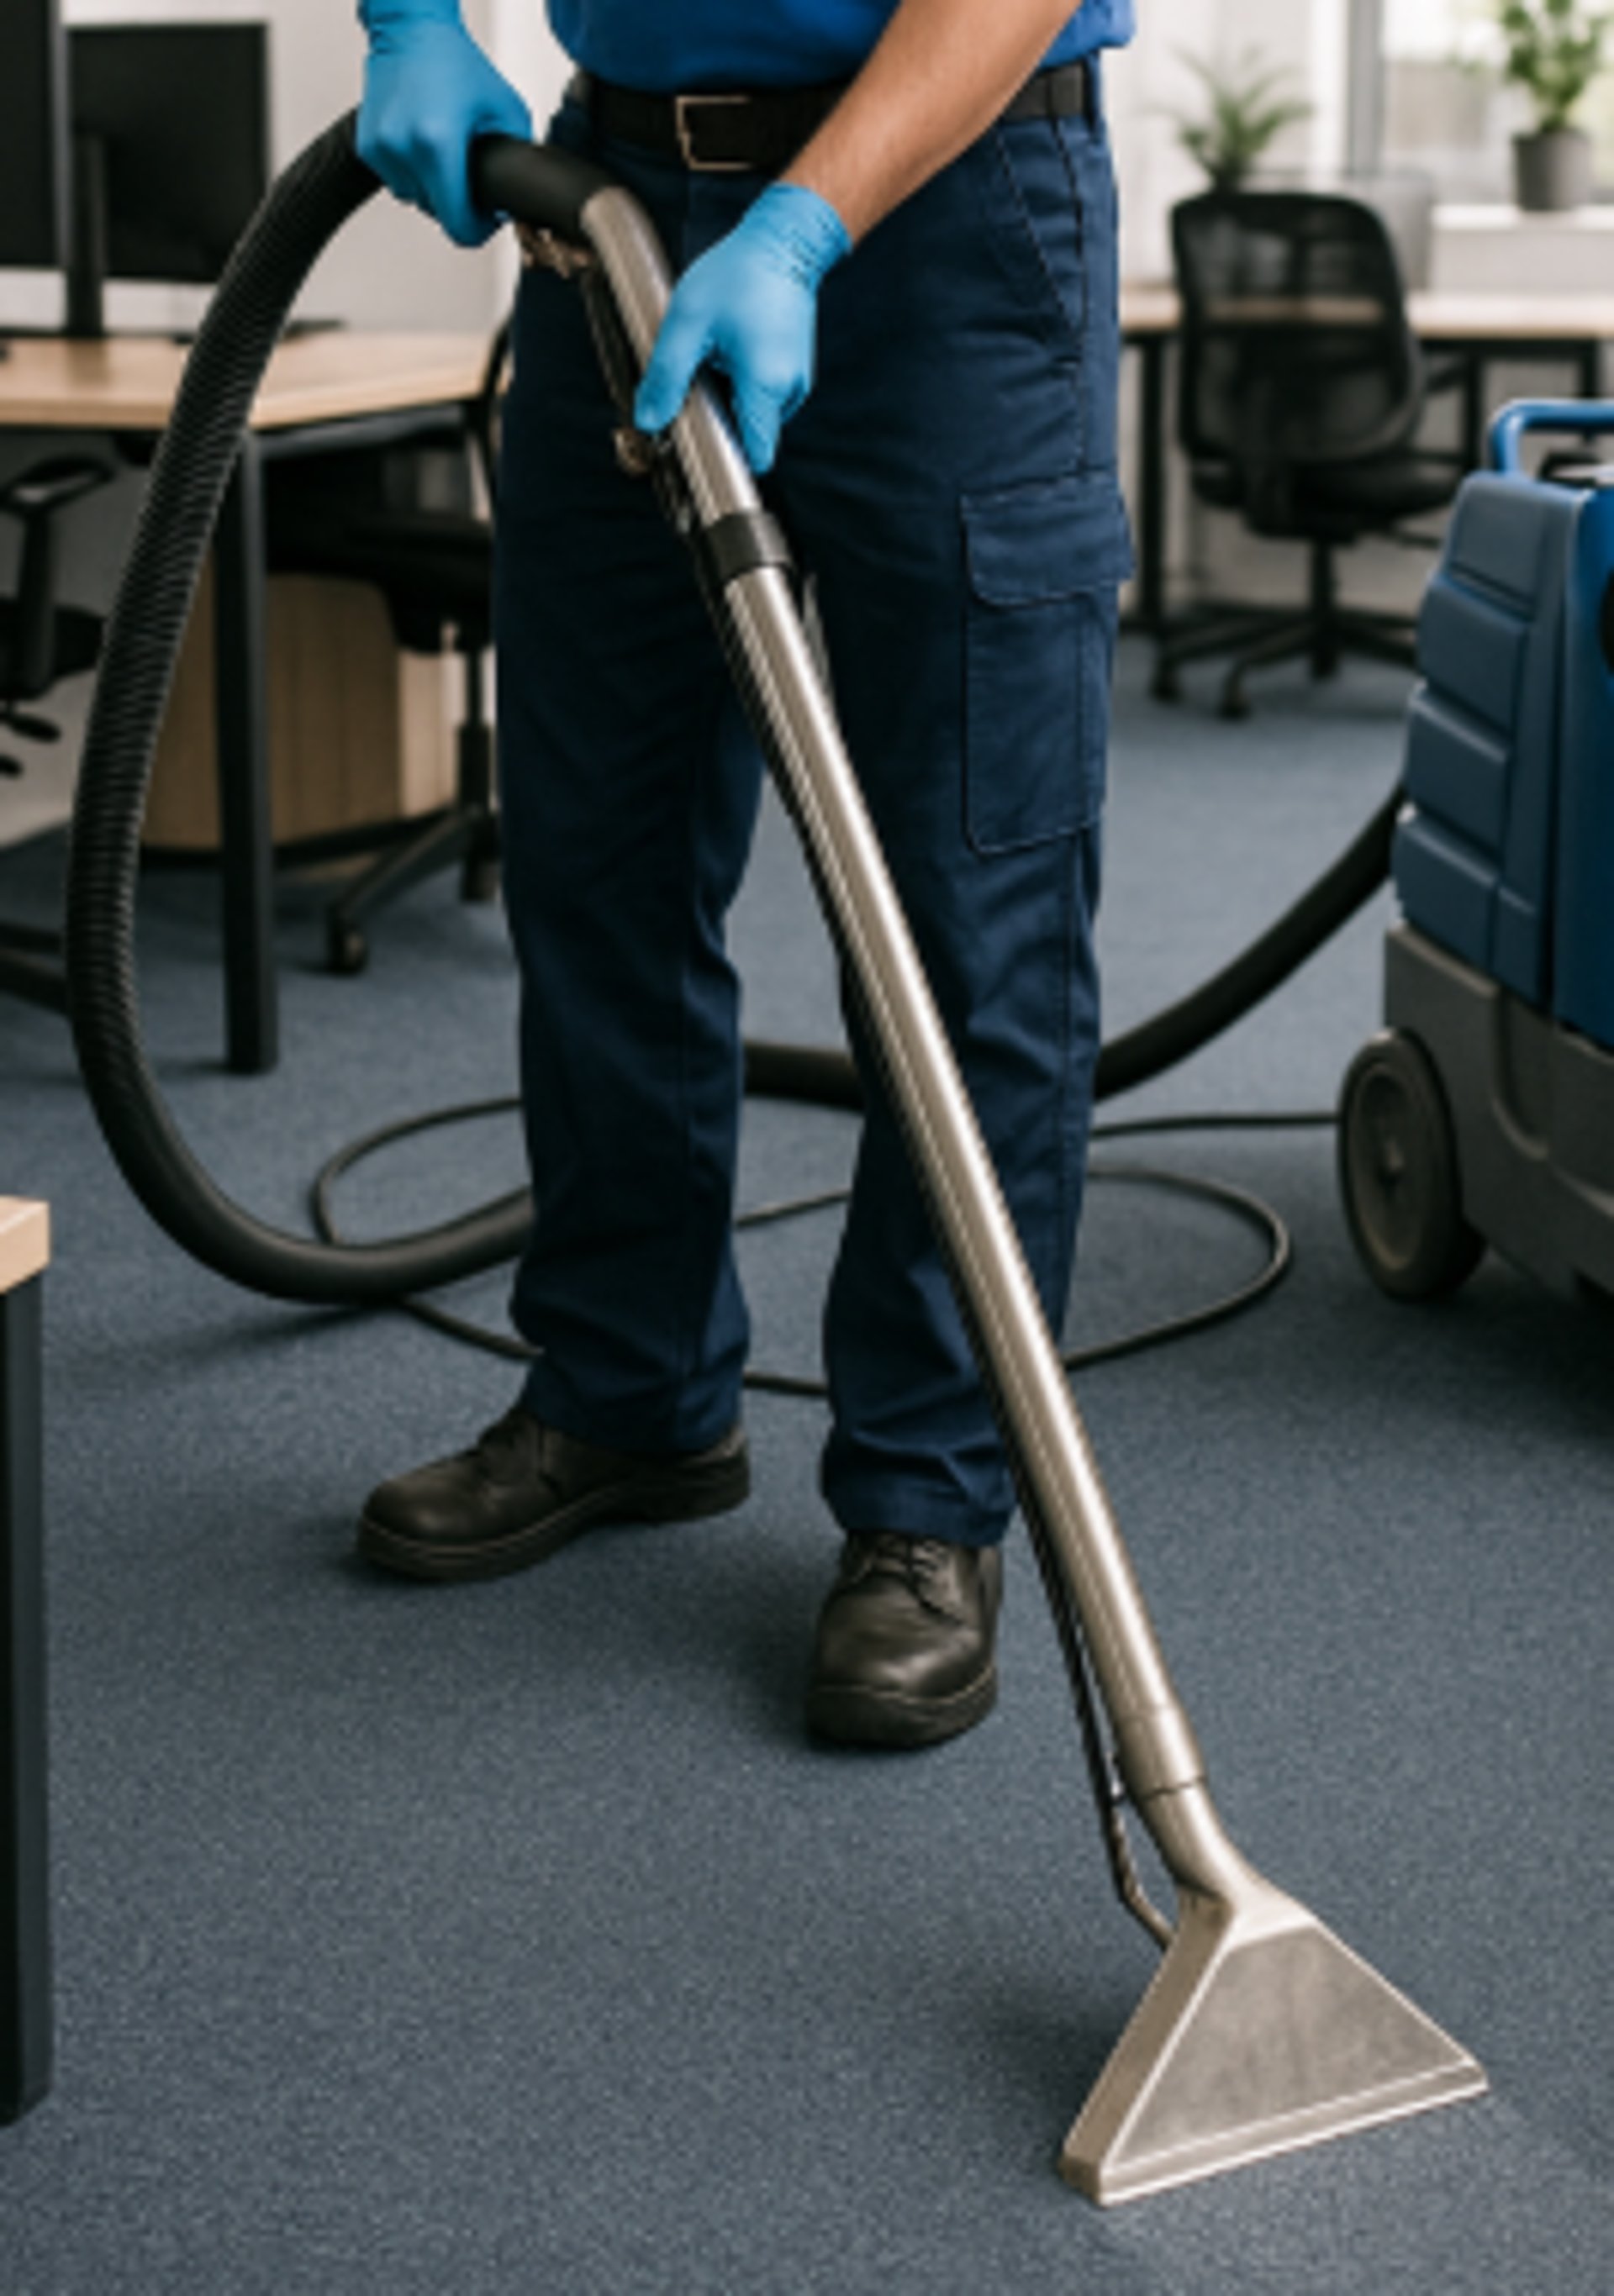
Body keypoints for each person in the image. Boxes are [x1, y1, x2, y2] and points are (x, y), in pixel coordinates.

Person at [352, 0, 1134, 1750]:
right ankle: (629, 1387)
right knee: (597, 854)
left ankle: (928, 1495)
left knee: (968, 911)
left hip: (953, 208)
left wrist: (800, 228)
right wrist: (408, 19)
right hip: (610, 196)